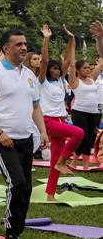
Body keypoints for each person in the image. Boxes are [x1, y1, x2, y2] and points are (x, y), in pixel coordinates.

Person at [0, 29, 49, 239]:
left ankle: (17, 232)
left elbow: (35, 106)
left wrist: (43, 131)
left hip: (25, 137)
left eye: (25, 43)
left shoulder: (29, 74)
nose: (24, 47)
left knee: (26, 187)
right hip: (2, 138)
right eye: (18, 44)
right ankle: (10, 233)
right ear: (6, 48)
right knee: (16, 183)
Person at [39, 25, 82, 200]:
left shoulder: (59, 81)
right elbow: (43, 61)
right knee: (79, 133)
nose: (57, 70)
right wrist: (46, 39)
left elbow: (69, 61)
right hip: (49, 121)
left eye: (58, 68)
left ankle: (50, 194)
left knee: (55, 159)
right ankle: (63, 161)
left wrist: (72, 40)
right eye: (53, 68)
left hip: (61, 120)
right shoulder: (42, 81)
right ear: (49, 70)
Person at [65, 57, 103, 172]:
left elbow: (100, 64)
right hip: (79, 112)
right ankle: (79, 163)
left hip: (94, 113)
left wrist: (98, 41)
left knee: (89, 138)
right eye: (85, 68)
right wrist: (72, 45)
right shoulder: (75, 81)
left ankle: (78, 164)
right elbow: (71, 65)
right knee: (84, 137)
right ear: (78, 70)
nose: (88, 70)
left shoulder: (91, 79)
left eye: (88, 67)